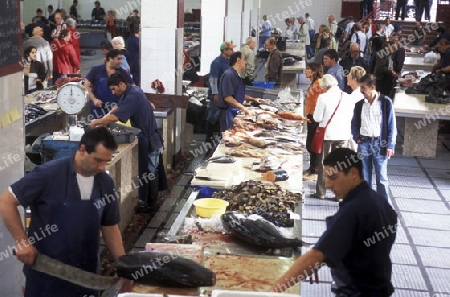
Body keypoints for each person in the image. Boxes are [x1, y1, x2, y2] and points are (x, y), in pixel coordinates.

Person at [0, 127, 126, 297]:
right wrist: (22, 242)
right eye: (98, 160)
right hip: (47, 278)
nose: (102, 167)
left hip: (86, 277)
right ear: (82, 150)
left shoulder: (105, 183)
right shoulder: (48, 174)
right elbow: (6, 200)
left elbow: (110, 226)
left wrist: (123, 266)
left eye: (106, 162)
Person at [272, 148, 397, 297]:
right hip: (379, 286)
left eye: (333, 178)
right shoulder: (378, 202)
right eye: (326, 178)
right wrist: (326, 256)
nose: (328, 185)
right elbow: (357, 246)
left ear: (353, 173)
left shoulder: (353, 210)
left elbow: (315, 257)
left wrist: (272, 292)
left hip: (358, 291)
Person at [90, 74, 167, 214]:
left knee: (151, 170)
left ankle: (152, 204)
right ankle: (148, 201)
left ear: (122, 84)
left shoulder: (132, 96)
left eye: (114, 89)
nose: (113, 92)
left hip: (151, 138)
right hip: (148, 136)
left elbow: (117, 116)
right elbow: (118, 109)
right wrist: (104, 117)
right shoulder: (133, 90)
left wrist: (97, 122)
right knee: (150, 169)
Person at [352, 74, 396, 201]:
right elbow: (354, 123)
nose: (361, 91)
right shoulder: (359, 104)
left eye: (363, 88)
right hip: (364, 143)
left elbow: (391, 125)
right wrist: (356, 137)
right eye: (360, 87)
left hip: (380, 144)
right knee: (364, 178)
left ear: (373, 87)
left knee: (381, 178)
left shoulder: (386, 102)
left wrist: (390, 145)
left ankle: (384, 207)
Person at [311, 75, 354, 199]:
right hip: (343, 135)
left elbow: (317, 118)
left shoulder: (323, 97)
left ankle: (321, 192)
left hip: (328, 135)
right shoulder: (348, 97)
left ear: (325, 86)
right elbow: (351, 116)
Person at [217, 51, 260, 132]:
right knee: (229, 138)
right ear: (238, 60)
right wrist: (243, 108)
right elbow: (228, 98)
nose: (246, 62)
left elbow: (238, 95)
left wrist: (253, 99)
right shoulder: (228, 75)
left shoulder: (236, 75)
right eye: (244, 60)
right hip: (228, 113)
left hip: (234, 111)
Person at [85, 49, 134, 119]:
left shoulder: (122, 72)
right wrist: (94, 99)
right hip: (97, 110)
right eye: (119, 59)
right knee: (97, 128)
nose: (121, 62)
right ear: (110, 58)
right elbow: (86, 86)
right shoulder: (96, 70)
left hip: (115, 110)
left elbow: (133, 88)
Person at [205, 41, 236, 142]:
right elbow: (213, 79)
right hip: (218, 94)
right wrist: (215, 93)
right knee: (213, 114)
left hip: (224, 93)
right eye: (230, 49)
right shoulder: (217, 62)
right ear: (224, 51)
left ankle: (220, 136)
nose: (232, 51)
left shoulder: (227, 62)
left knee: (221, 115)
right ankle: (208, 137)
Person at [303, 62, 324, 181]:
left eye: (308, 69)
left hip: (315, 118)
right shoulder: (314, 83)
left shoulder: (319, 83)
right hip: (311, 116)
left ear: (314, 71)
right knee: (310, 143)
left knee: (313, 144)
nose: (305, 71)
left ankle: (315, 171)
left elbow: (320, 102)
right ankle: (311, 168)